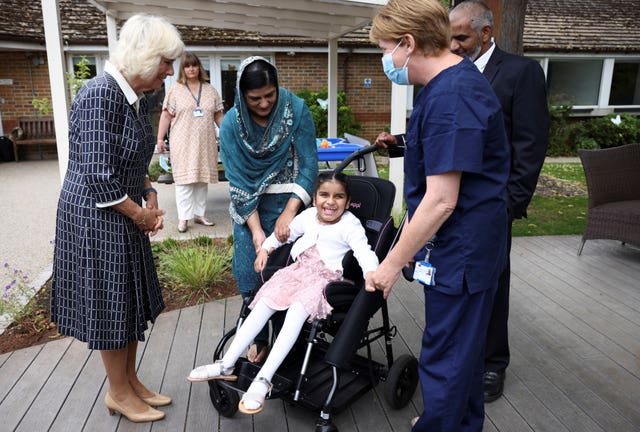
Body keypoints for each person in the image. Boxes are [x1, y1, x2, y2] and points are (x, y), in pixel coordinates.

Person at [365, 0, 509, 430]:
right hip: (459, 247)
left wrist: (390, 266)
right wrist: (405, 246)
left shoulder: (453, 96)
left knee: (445, 357)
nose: (386, 60)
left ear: (408, 43)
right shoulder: (448, 86)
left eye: (386, 48)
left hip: (461, 251)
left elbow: (443, 201)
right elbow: (428, 194)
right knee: (459, 354)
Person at [50, 14, 184, 424]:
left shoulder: (132, 96)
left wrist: (149, 190)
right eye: (166, 61)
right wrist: (141, 214)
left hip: (121, 210)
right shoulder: (99, 94)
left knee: (126, 304)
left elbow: (130, 158)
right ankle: (119, 393)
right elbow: (96, 174)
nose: (170, 70)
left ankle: (130, 382)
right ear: (145, 57)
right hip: (95, 217)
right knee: (113, 306)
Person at [187, 172, 379, 414]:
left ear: (348, 202)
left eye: (338, 197)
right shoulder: (308, 216)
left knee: (296, 312)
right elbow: (281, 236)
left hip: (323, 278)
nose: (331, 202)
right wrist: (265, 250)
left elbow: (364, 251)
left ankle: (264, 379)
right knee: (263, 303)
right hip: (297, 271)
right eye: (324, 195)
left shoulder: (350, 224)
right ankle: (226, 364)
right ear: (314, 198)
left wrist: (372, 272)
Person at [449, 0, 550, 403]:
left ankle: (493, 363)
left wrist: (510, 202)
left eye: (461, 37)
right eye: (450, 38)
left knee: (492, 284)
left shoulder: (520, 73)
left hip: (493, 205)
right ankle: (461, 354)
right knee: (457, 282)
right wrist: (402, 145)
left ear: (486, 33)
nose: (454, 46)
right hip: (450, 202)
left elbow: (530, 143)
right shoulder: (451, 72)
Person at [218, 56, 318, 363]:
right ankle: (259, 337)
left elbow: (309, 167)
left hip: (292, 205)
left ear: (277, 87)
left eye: (269, 95)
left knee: (290, 275)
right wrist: (258, 232)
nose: (264, 103)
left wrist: (290, 213)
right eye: (255, 98)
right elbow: (237, 181)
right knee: (252, 274)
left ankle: (290, 340)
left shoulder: (297, 111)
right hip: (251, 211)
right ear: (241, 95)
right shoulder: (231, 125)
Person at [156, 52, 224, 233]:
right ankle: (183, 218)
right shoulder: (175, 90)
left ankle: (199, 214)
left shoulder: (210, 90)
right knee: (184, 182)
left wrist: (226, 134)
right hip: (183, 143)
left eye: (194, 65)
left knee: (201, 181)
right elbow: (165, 115)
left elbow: (218, 115)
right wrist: (160, 138)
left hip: (205, 143)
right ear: (183, 69)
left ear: (199, 67)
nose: (191, 69)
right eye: (187, 66)